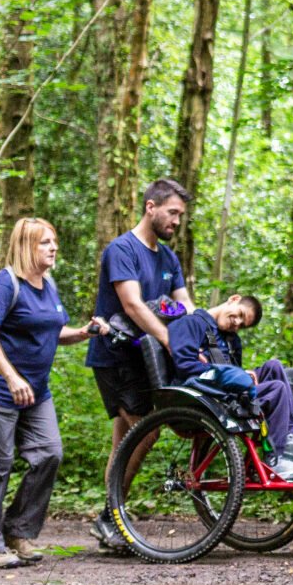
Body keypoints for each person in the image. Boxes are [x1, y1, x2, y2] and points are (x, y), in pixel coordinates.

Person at [0, 218, 108, 568]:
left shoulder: (48, 285)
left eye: (54, 241)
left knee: (49, 454)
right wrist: (12, 377)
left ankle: (17, 531)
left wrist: (85, 332)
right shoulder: (5, 284)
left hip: (36, 391)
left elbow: (52, 331)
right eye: (45, 242)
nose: (53, 247)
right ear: (26, 245)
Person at [87, 178, 196, 550]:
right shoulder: (122, 250)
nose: (177, 221)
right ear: (151, 207)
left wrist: (196, 334)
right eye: (173, 213)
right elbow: (132, 304)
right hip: (116, 355)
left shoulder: (168, 258)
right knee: (146, 433)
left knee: (124, 440)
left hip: (146, 360)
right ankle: (111, 516)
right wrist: (170, 338)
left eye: (181, 215)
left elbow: (185, 304)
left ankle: (109, 517)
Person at [168, 293, 293, 479]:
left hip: (228, 392)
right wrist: (223, 371)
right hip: (209, 395)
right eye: (240, 315)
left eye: (242, 324)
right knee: (277, 389)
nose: (237, 323)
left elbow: (234, 374)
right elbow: (185, 367)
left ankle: (291, 436)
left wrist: (245, 374)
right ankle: (276, 459)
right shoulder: (191, 323)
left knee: (273, 367)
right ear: (233, 299)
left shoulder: (232, 340)